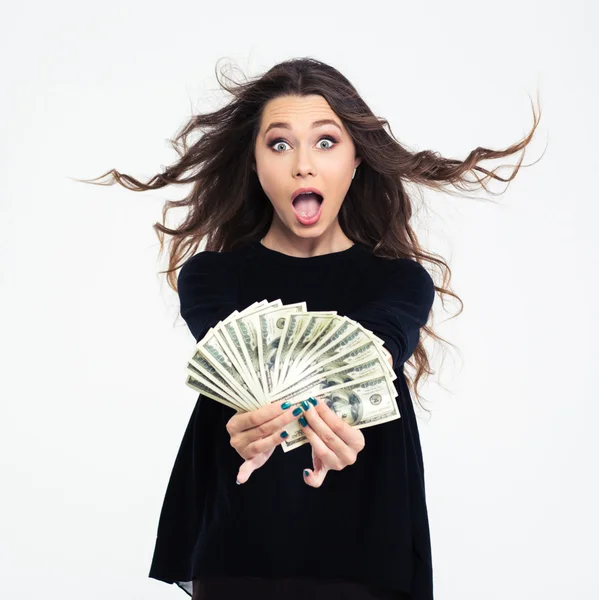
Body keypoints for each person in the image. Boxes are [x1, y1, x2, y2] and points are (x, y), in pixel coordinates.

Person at [78, 57, 540, 599]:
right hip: (240, 546)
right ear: (253, 163)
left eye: (326, 142)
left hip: (364, 552)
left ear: (356, 160)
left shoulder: (400, 283)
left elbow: (375, 349)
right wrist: (243, 428)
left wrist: (341, 426)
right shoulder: (210, 277)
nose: (303, 166)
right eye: (279, 144)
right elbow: (234, 351)